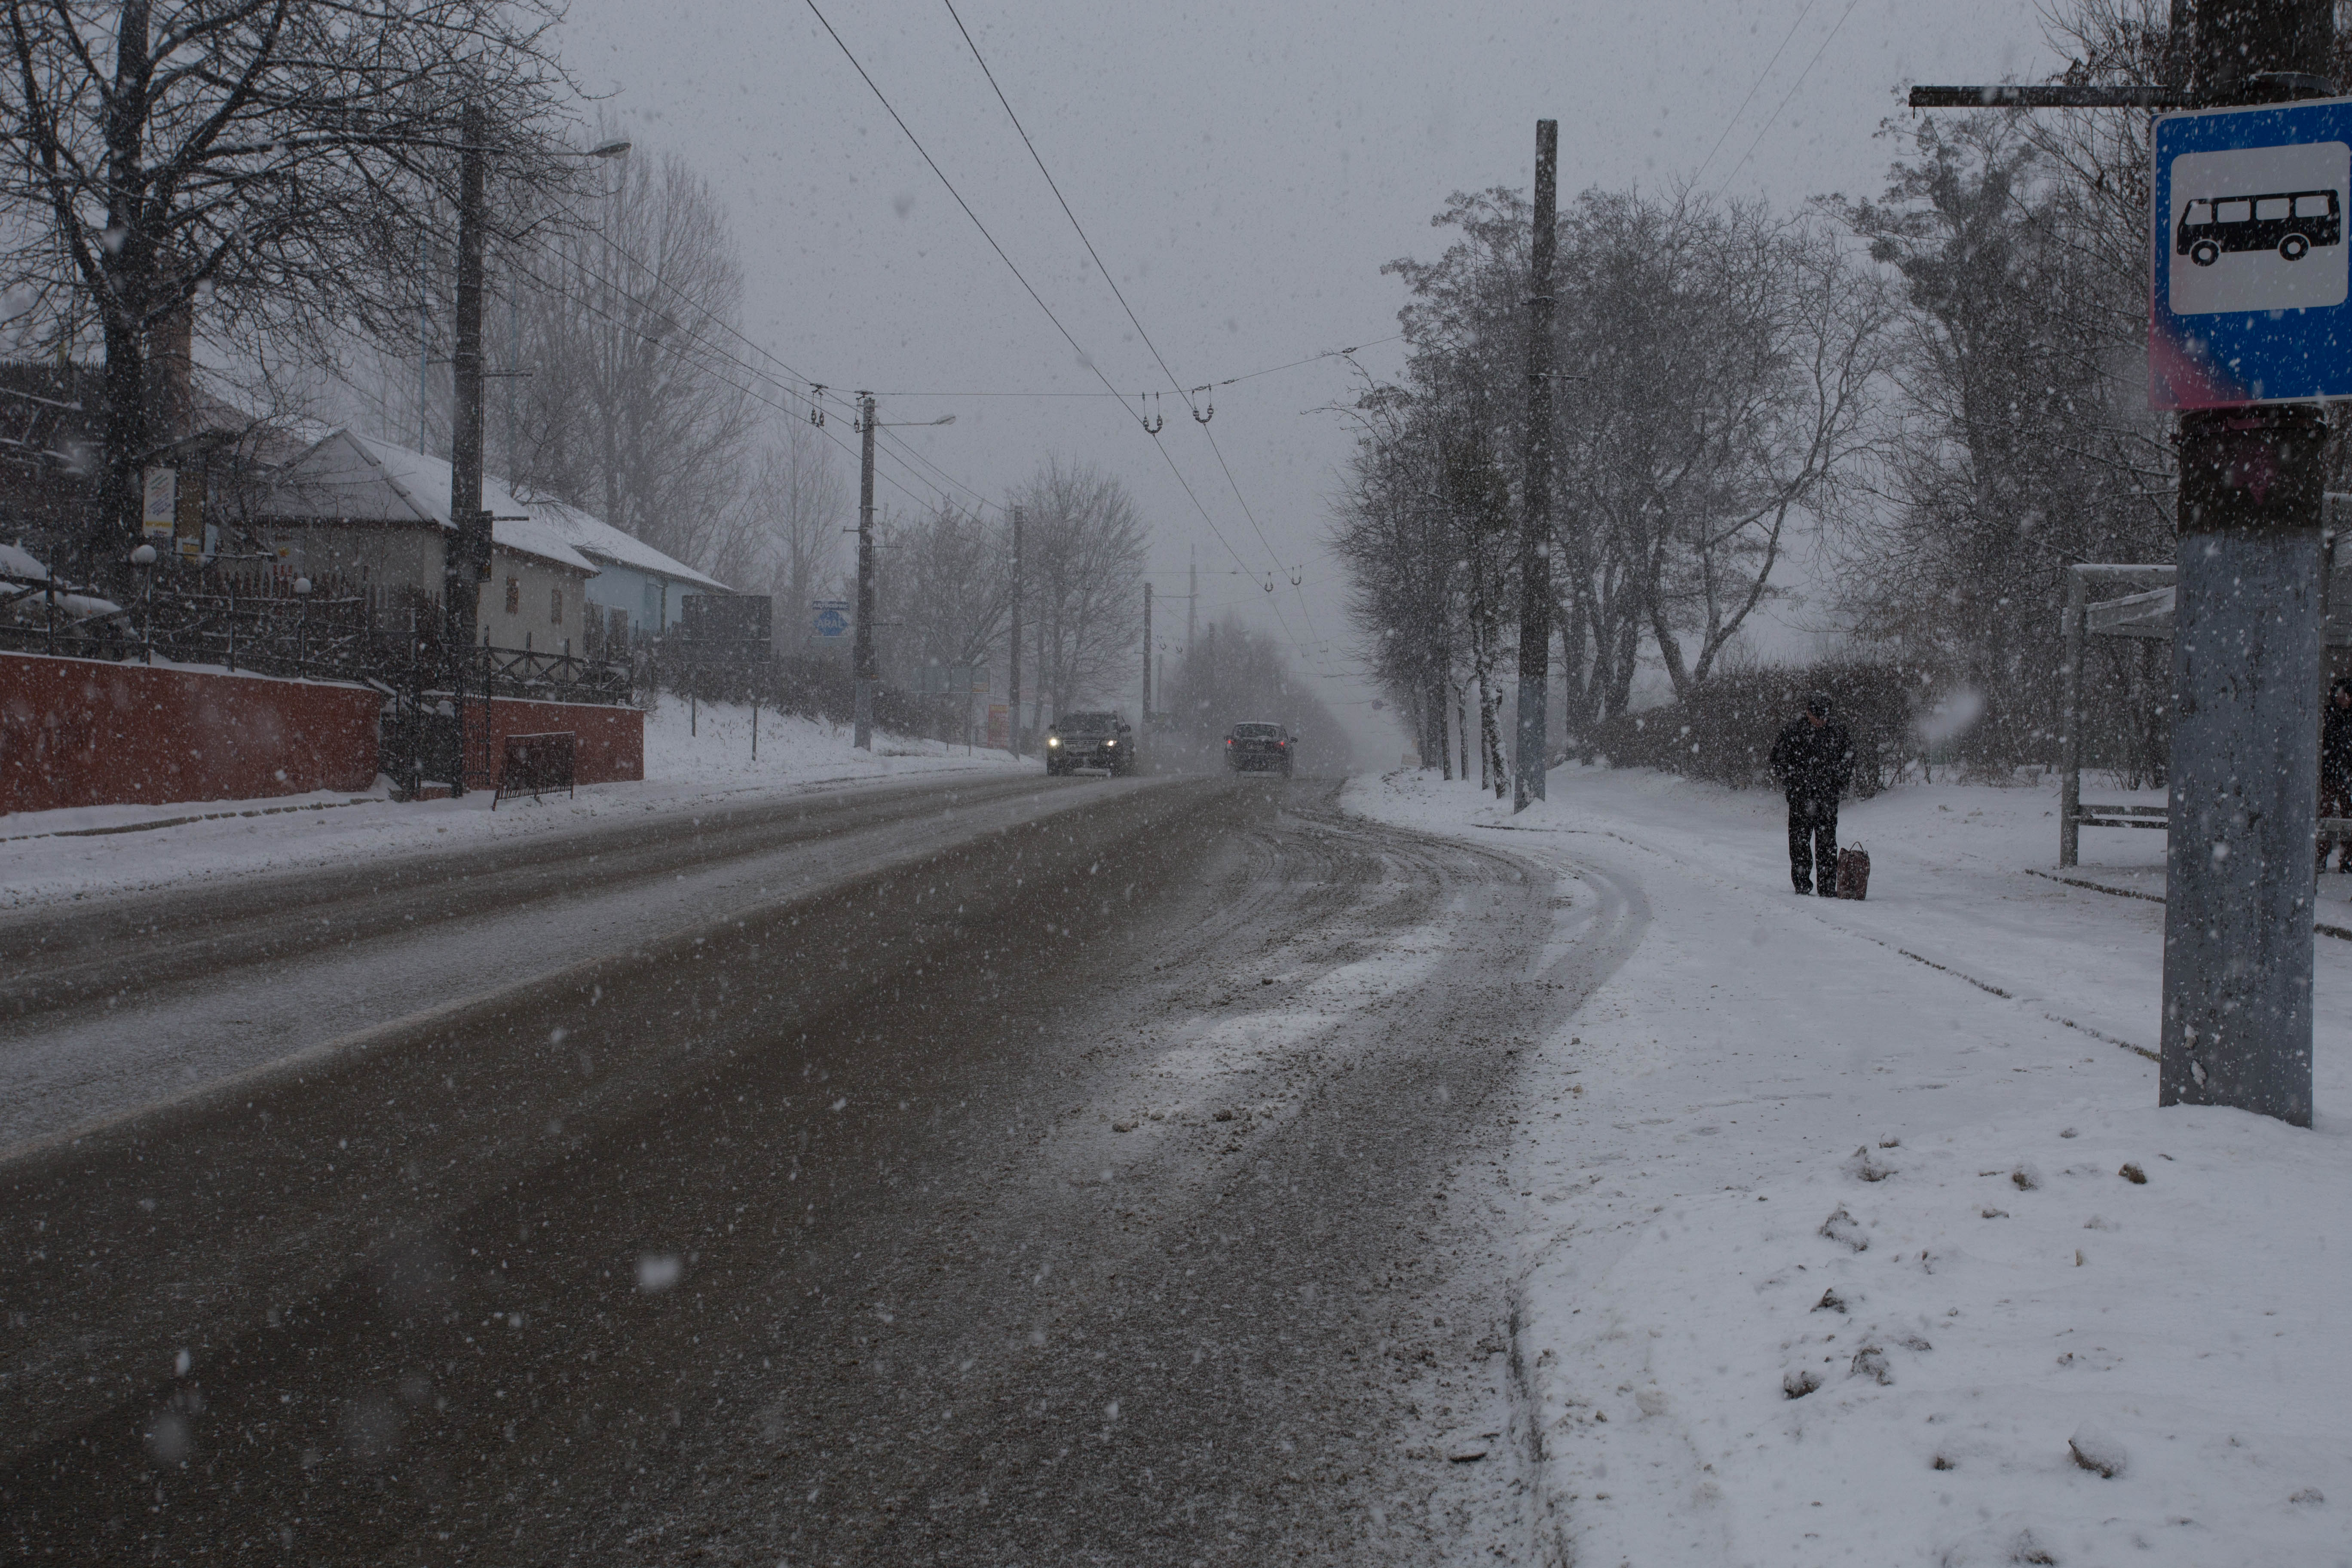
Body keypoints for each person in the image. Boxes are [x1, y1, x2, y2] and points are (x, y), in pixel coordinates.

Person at [1769, 690, 1855, 895]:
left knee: (1827, 844)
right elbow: (1777, 759)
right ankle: (1802, 884)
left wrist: (1838, 782)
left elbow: (1849, 757)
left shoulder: (1837, 731)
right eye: (1817, 718)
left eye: (1824, 718)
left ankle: (1827, 887)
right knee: (1799, 843)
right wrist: (1793, 781)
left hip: (1827, 798)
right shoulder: (1793, 730)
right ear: (1808, 712)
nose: (1820, 723)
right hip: (1801, 797)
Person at [2321, 678, 2352, 873]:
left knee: (2347, 815)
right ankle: (2323, 857)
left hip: (2342, 771)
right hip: (2334, 771)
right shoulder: (2332, 715)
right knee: (2327, 815)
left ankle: (2347, 859)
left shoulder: (2335, 716)